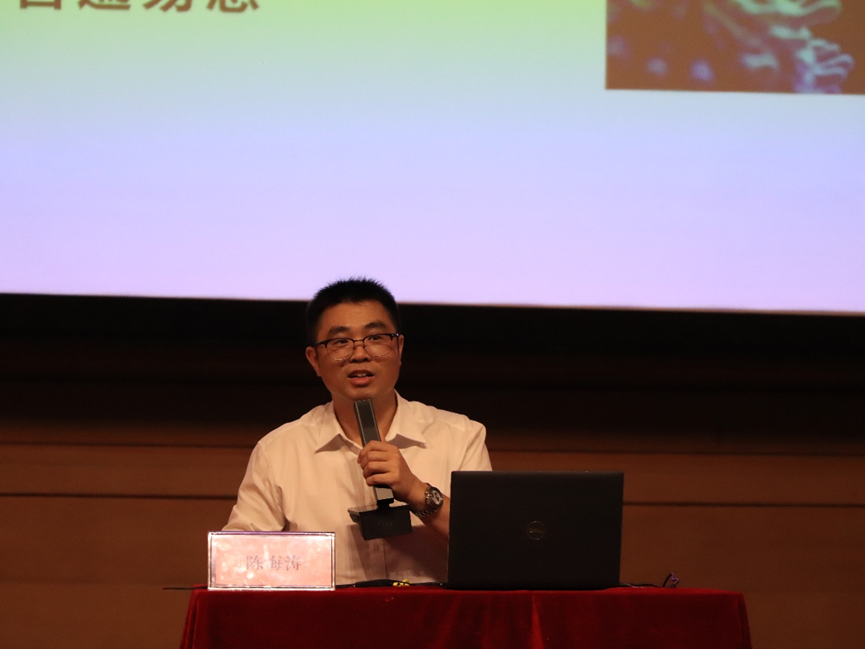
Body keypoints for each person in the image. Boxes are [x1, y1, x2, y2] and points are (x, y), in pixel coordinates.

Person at [224, 277, 492, 585]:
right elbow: (239, 565)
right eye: (340, 342)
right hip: (326, 615)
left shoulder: (461, 436)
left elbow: (491, 547)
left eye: (375, 338)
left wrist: (417, 492)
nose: (359, 354)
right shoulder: (279, 451)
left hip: (436, 615)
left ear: (399, 348)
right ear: (314, 360)